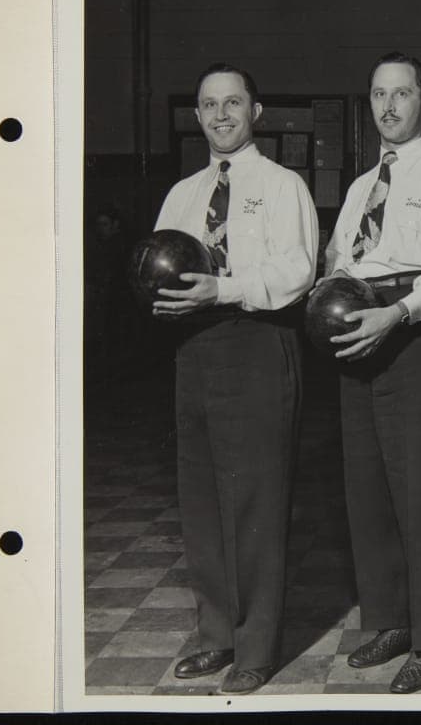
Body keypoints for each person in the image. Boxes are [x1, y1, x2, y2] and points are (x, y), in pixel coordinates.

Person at [152, 63, 318, 695]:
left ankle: (256, 645)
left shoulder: (282, 187)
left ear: (257, 112)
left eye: (233, 103)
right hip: (194, 350)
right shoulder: (183, 194)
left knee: (255, 501)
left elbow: (296, 271)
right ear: (197, 116)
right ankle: (216, 634)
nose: (221, 115)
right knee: (201, 500)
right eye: (209, 105)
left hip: (257, 341)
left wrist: (222, 287)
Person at [322, 52, 421, 694]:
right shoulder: (362, 187)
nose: (388, 107)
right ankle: (388, 620)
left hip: (418, 338)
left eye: (402, 94)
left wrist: (397, 313)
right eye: (378, 95)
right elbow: (338, 257)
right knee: (369, 494)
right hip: (360, 337)